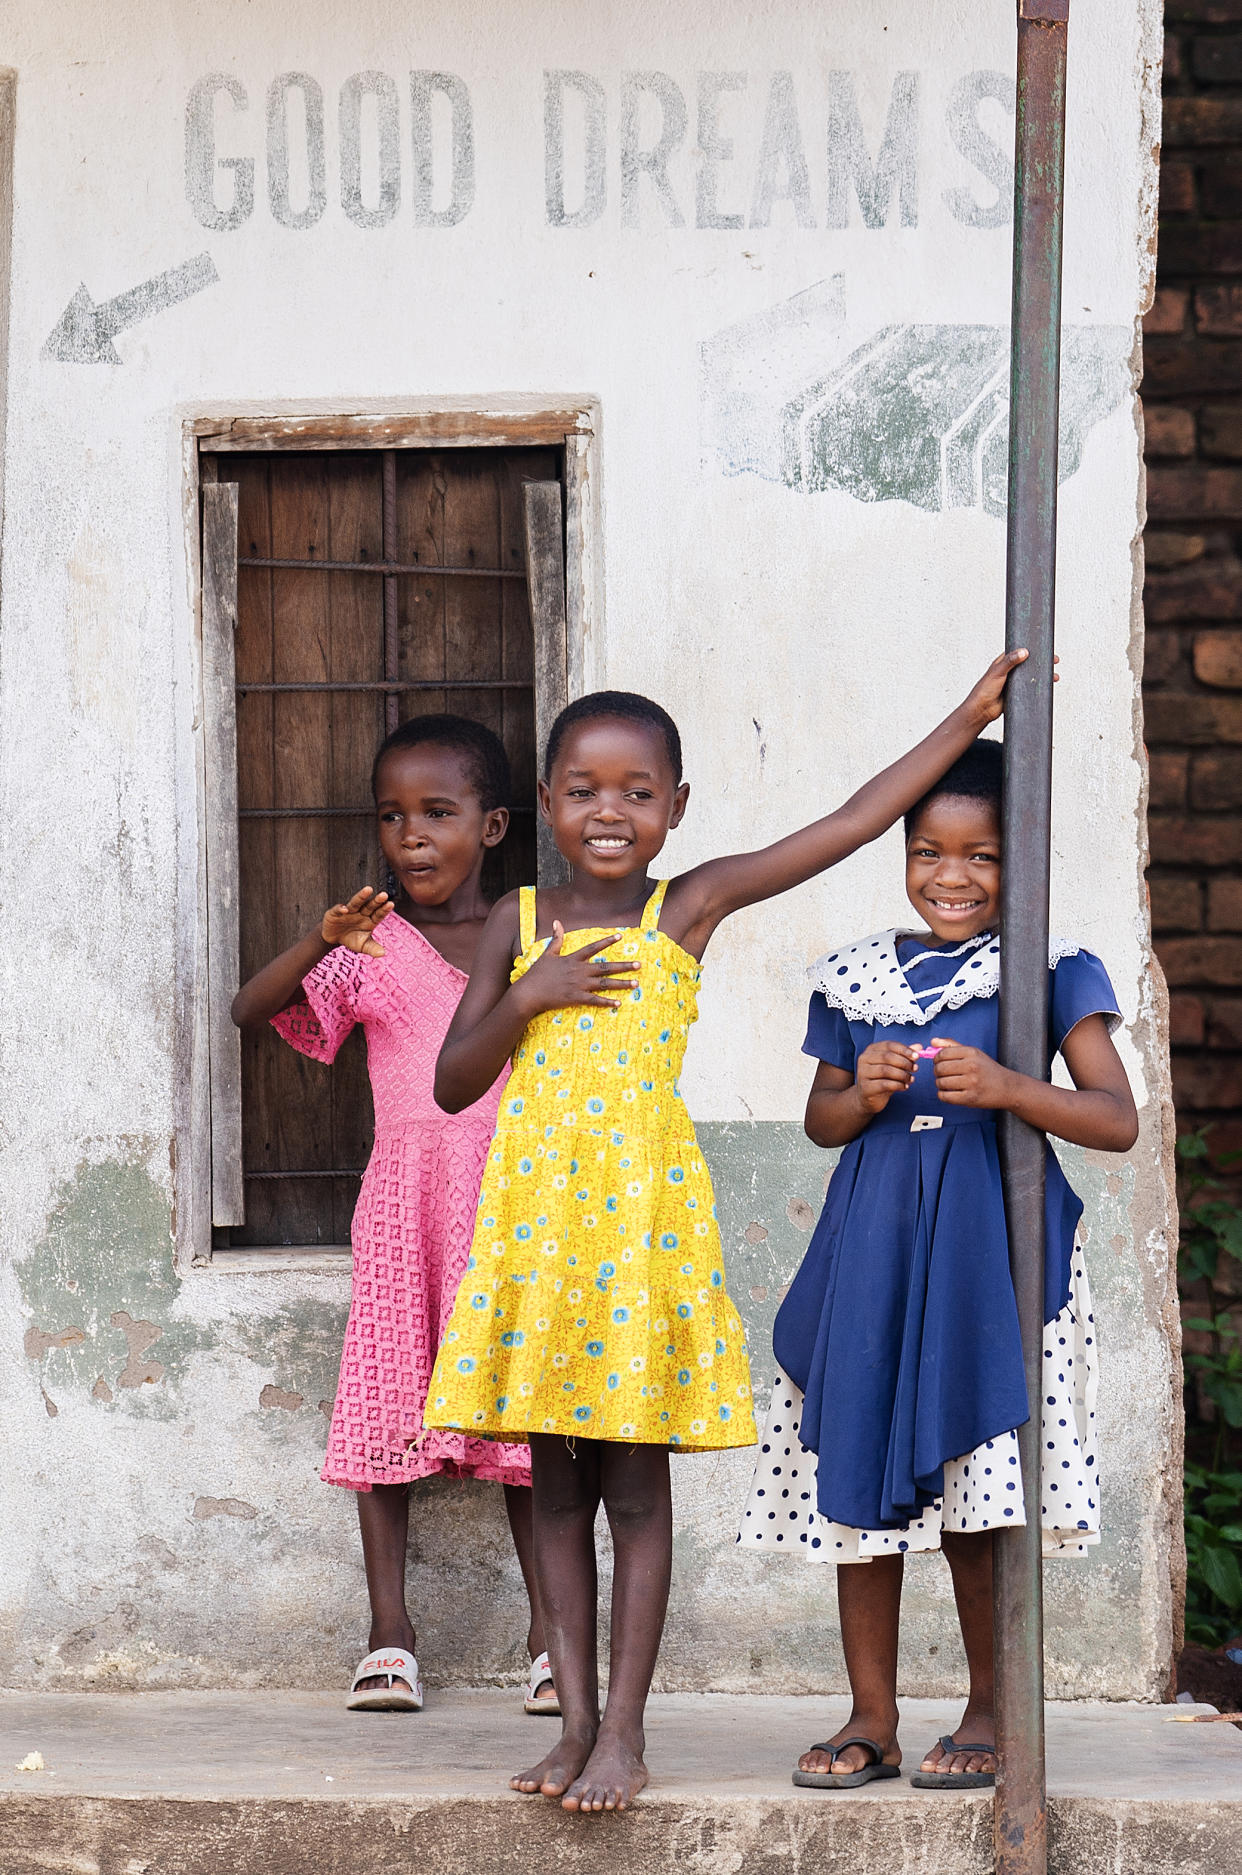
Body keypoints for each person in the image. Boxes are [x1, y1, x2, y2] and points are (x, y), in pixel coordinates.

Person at [423, 655, 1027, 1812]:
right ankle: (576, 1726)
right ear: (547, 806)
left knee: (636, 1494)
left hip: (637, 1241)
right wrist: (526, 997)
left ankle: (626, 1739)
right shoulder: (517, 921)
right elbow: (454, 1082)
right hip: (538, 1244)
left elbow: (850, 824)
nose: (612, 813)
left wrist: (963, 718)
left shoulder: (684, 906)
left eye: (639, 792)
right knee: (553, 1493)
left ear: (677, 809)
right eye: (587, 790)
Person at [738, 736, 1138, 1791]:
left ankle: (989, 1710)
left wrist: (1011, 1088)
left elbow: (1115, 1118)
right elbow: (825, 1123)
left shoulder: (1052, 970)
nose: (951, 877)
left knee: (974, 1478)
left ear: (1026, 861)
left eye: (984, 857)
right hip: (871, 1251)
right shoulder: (860, 975)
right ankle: (871, 1717)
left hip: (981, 1264)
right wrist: (859, 1091)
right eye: (929, 852)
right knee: (859, 1472)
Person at [231, 715, 556, 1719]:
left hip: (511, 1201)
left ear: (493, 826)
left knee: (526, 1419)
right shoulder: (374, 944)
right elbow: (253, 1012)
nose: (411, 835)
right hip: (404, 1201)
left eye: (439, 813)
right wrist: (319, 940)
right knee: (386, 1398)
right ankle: (389, 1632)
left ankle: (553, 1634)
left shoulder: (532, 934)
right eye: (392, 815)